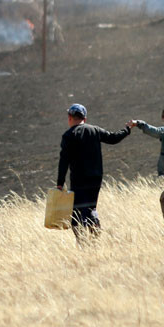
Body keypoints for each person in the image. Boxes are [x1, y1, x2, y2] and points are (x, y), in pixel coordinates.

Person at [57, 103, 131, 241]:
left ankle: (86, 239)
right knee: (89, 207)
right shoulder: (95, 130)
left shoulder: (68, 135)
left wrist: (60, 183)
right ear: (84, 118)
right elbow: (113, 138)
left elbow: (63, 161)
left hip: (79, 179)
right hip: (96, 178)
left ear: (69, 117)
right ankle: (92, 238)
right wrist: (127, 129)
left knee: (77, 213)